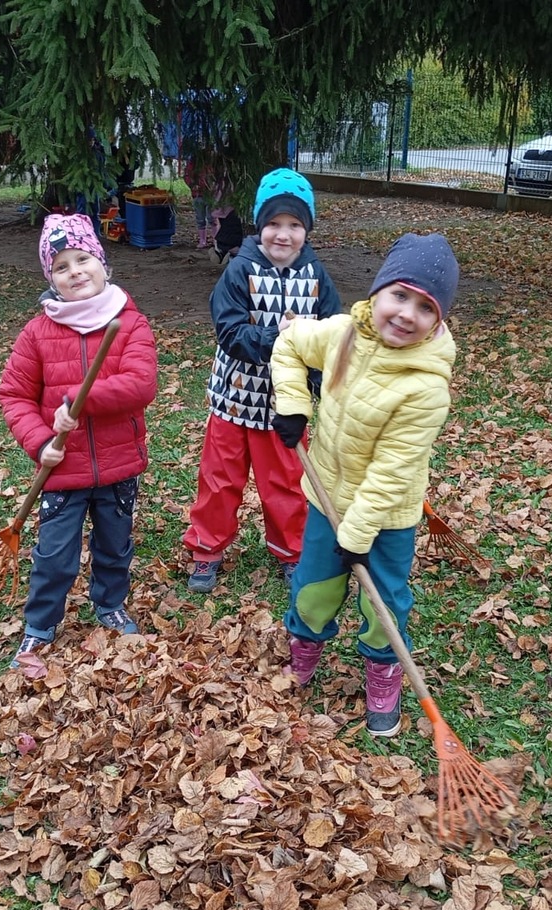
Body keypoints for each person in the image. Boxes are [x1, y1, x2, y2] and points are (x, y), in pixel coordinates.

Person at [268, 233, 460, 738]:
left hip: (387, 516)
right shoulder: (341, 333)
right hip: (325, 496)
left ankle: (383, 672)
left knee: (383, 602)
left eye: (426, 307)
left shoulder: (426, 388)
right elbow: (288, 342)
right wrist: (293, 403)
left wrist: (356, 534)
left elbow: (391, 471)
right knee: (313, 587)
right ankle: (304, 653)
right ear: (377, 293)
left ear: (438, 320)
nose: (407, 314)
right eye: (400, 295)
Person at [0, 213, 159, 666]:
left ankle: (110, 603)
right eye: (61, 266)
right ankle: (40, 624)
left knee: (115, 545)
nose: (75, 272)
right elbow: (13, 394)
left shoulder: (129, 323)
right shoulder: (37, 333)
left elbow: (141, 384)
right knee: (54, 554)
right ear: (51, 279)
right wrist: (39, 444)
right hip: (62, 467)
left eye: (83, 259)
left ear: (102, 263)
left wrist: (76, 399)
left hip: (118, 464)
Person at [182, 168, 341, 593]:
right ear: (259, 225)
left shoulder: (316, 277)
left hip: (285, 407)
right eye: (273, 223)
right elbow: (230, 332)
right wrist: (281, 338)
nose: (283, 235)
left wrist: (326, 382)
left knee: (286, 482)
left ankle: (291, 550)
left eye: (294, 225)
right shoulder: (240, 270)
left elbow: (330, 337)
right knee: (219, 481)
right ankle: (206, 549)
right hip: (235, 399)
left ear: (307, 230)